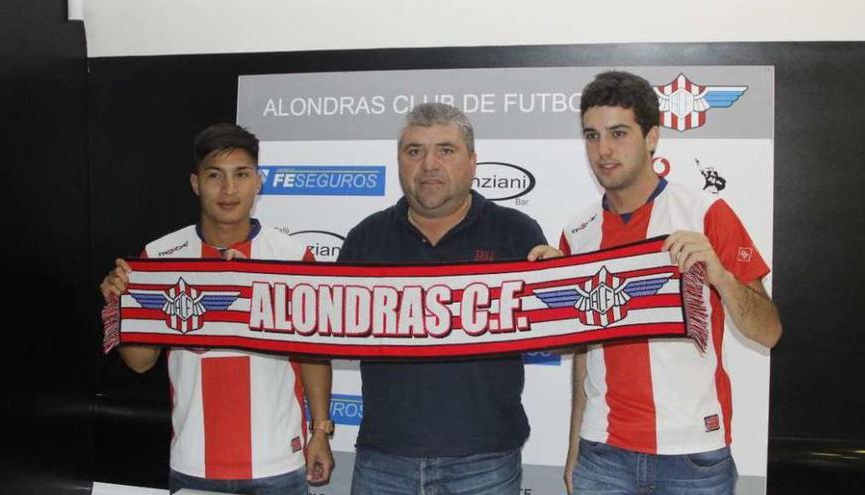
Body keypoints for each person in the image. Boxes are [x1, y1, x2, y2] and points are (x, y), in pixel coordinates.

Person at [556, 71, 782, 494]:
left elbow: (769, 332)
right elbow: (585, 352)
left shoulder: (707, 213)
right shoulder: (578, 232)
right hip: (602, 455)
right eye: (591, 135)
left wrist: (720, 275)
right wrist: (574, 447)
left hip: (693, 456)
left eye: (618, 133)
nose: (603, 150)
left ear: (652, 137)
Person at [99, 123, 334, 494]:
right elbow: (140, 362)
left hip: (279, 465)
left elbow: (312, 354)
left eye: (241, 175)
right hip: (194, 463)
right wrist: (120, 304)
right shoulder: (160, 256)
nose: (228, 190)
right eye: (214, 176)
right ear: (195, 183)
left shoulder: (291, 257)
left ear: (258, 181)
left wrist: (320, 430)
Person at [337, 103, 549, 494]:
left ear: (472, 161)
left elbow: (557, 319)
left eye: (445, 150)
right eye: (414, 151)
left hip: (485, 461)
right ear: (399, 161)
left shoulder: (517, 233)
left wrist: (560, 282)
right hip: (384, 458)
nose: (429, 164)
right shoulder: (364, 239)